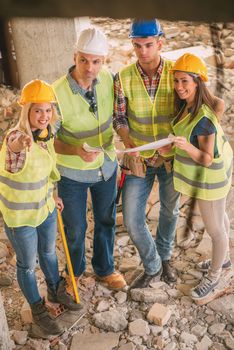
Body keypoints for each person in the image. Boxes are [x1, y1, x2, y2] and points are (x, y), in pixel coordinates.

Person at [113, 19, 224, 288]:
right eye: (137, 45)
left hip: (172, 160)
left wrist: (204, 134)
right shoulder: (123, 77)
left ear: (160, 43)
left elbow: (212, 104)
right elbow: (119, 119)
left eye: (148, 45)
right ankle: (151, 265)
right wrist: (130, 148)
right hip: (138, 158)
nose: (142, 51)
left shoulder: (178, 74)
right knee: (131, 218)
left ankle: (164, 259)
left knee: (170, 212)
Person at [0, 80, 82, 336]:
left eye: (48, 110)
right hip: (21, 216)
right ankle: (38, 308)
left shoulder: (47, 137)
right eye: (38, 111)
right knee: (27, 264)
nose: (44, 116)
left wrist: (52, 196)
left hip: (45, 209)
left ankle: (55, 289)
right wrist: (19, 144)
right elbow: (14, 153)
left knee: (48, 253)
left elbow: (46, 172)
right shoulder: (17, 137)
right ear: (27, 111)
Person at [52, 28, 126, 291]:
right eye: (84, 60)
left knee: (106, 220)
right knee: (75, 228)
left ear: (104, 61)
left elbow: (120, 118)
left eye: (96, 61)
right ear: (75, 56)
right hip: (72, 173)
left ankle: (105, 269)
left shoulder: (109, 80)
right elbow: (50, 140)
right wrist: (76, 151)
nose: (90, 67)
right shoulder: (57, 93)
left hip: (105, 167)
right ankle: (75, 272)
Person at [170, 53, 233, 300]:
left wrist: (186, 147)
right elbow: (219, 104)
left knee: (215, 229)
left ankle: (216, 276)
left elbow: (206, 158)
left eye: (185, 81)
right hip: (220, 170)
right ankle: (224, 260)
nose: (179, 87)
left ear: (198, 82)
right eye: (176, 81)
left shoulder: (204, 120)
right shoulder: (196, 105)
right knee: (221, 218)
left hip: (211, 178)